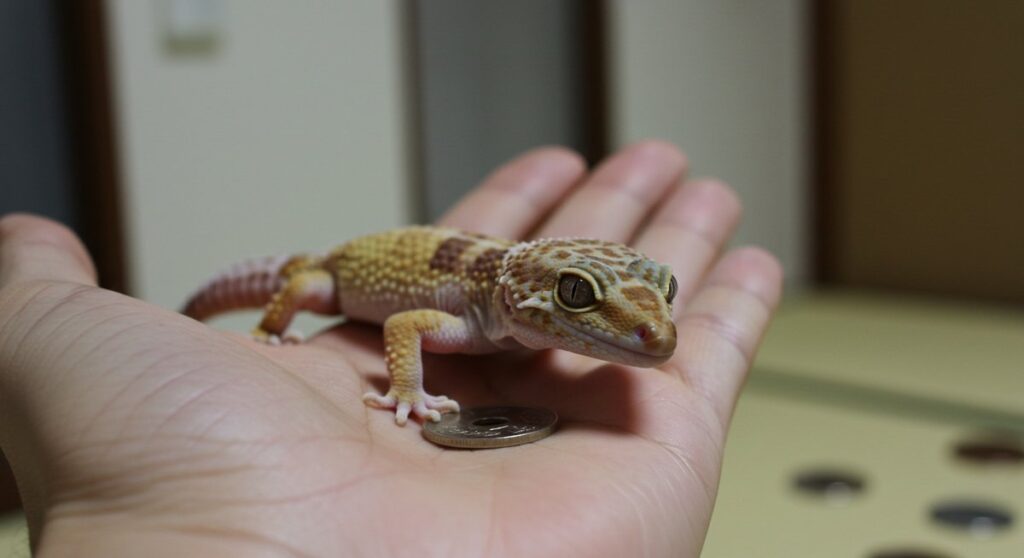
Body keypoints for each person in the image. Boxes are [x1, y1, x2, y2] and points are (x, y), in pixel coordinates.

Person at [0, 141, 781, 556]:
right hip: (329, 271)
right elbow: (404, 327)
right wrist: (401, 388)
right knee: (304, 290)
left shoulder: (510, 312)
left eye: (660, 293)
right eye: (579, 296)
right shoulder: (467, 323)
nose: (652, 332)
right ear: (525, 294)